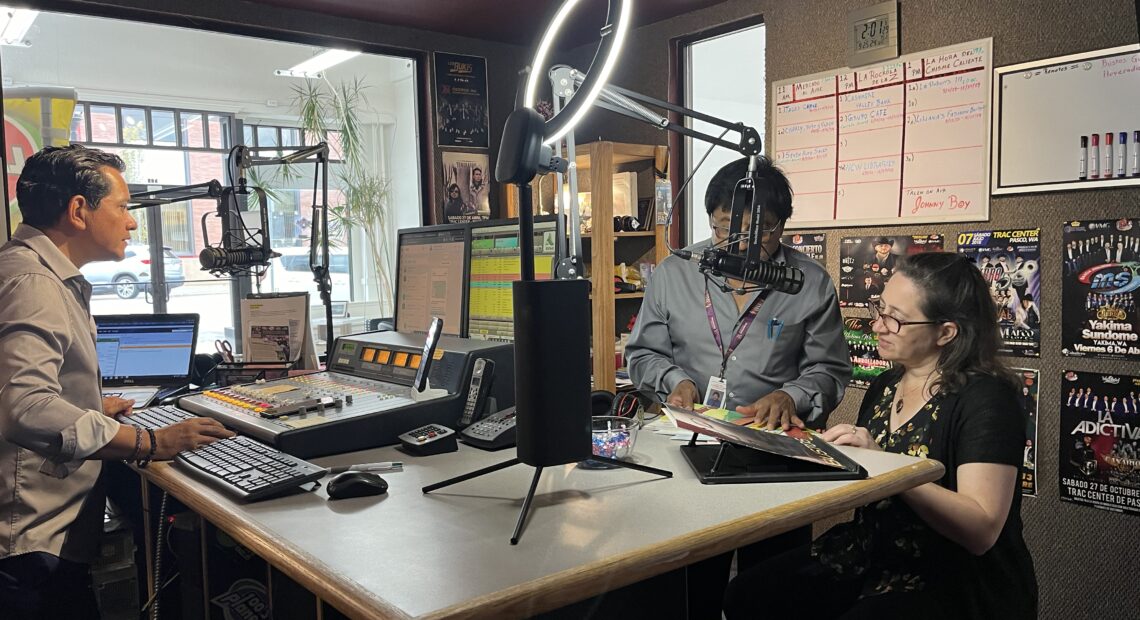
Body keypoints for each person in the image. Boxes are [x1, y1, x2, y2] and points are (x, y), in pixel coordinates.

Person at [724, 252, 1036, 620]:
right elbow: (866, 476)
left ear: (946, 332)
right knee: (748, 593)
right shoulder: (887, 384)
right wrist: (811, 446)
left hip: (947, 573)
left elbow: (981, 530)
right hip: (872, 547)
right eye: (880, 309)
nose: (878, 326)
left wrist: (886, 468)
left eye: (896, 319)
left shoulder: (988, 400)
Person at [0, 145, 234, 619]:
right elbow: (23, 406)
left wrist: (86, 405)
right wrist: (148, 440)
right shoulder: (34, 285)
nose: (131, 222)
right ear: (79, 210)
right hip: (27, 545)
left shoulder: (27, 269)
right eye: (123, 207)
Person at [626, 156, 850, 620]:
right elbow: (642, 354)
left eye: (762, 231)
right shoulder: (676, 272)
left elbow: (829, 370)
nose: (744, 243)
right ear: (711, 218)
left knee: (769, 594)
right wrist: (675, 380)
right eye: (729, 226)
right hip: (688, 449)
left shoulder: (808, 283)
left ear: (783, 226)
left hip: (774, 461)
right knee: (691, 591)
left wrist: (792, 396)